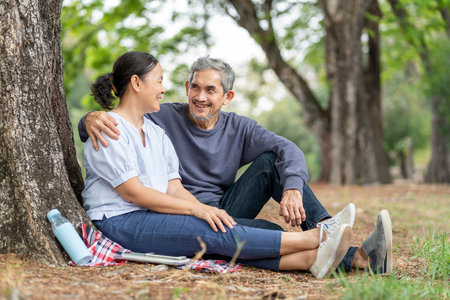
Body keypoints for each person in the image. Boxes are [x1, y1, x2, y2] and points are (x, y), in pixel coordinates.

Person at [79, 56, 393, 274]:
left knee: (271, 163)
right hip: (178, 211)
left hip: (215, 207)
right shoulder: (160, 116)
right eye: (194, 88)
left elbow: (288, 149)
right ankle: (352, 255)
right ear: (187, 88)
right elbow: (116, 118)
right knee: (265, 232)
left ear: (227, 96)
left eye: (210, 90)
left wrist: (294, 189)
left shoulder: (235, 128)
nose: (200, 97)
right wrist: (88, 119)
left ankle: (323, 226)